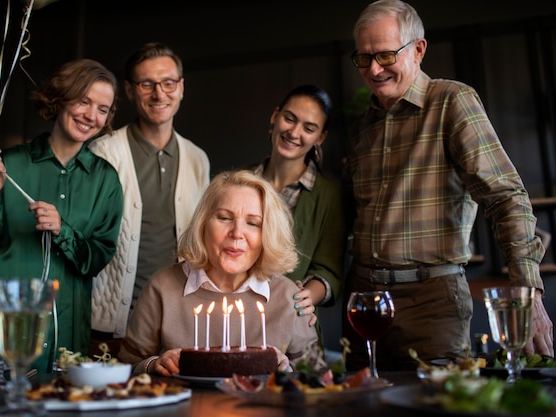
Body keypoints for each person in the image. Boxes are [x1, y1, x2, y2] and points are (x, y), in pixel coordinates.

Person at [342, 0, 553, 370]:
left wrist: (528, 293)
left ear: (418, 49)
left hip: (432, 302)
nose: (374, 69)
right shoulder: (361, 128)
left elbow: (506, 197)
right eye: (363, 58)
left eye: (386, 55)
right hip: (363, 300)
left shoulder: (451, 101)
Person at [0, 59, 124, 373]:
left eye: (102, 109)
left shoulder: (106, 180)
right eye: (83, 101)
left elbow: (97, 258)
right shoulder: (10, 164)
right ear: (61, 99)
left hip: (64, 329)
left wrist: (62, 230)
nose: (91, 116)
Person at [117, 170, 320, 376]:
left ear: (267, 234)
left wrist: (287, 370)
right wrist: (153, 364)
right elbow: (126, 366)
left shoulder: (290, 297)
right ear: (203, 223)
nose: (237, 233)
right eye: (224, 217)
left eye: (253, 223)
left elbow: (318, 379)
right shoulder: (162, 287)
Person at [89, 42, 210, 358]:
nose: (160, 94)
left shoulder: (198, 159)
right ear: (129, 91)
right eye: (147, 84)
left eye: (169, 83)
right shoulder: (103, 153)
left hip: (176, 326)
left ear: (181, 88)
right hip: (111, 326)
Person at [250, 85, 345, 346]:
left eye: (309, 128)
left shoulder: (329, 195)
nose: (294, 132)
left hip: (291, 322)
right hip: (235, 319)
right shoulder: (239, 182)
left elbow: (329, 271)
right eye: (289, 119)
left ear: (321, 137)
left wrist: (304, 297)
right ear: (275, 116)